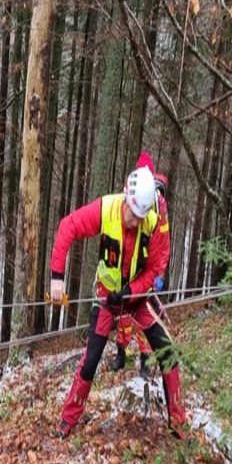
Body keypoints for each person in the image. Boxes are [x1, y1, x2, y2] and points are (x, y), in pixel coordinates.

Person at [49, 162, 190, 439]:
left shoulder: (154, 222)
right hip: (107, 297)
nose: (133, 221)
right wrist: (57, 276)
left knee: (168, 353)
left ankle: (178, 423)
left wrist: (132, 291)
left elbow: (156, 268)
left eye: (139, 217)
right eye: (131, 213)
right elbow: (68, 226)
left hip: (137, 299)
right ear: (126, 198)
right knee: (91, 359)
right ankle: (67, 420)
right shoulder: (107, 208)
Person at [112, 159, 170, 374]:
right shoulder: (131, 192)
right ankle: (121, 352)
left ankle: (145, 359)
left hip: (146, 270)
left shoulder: (159, 206)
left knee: (144, 317)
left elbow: (163, 245)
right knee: (123, 315)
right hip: (126, 267)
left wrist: (158, 274)